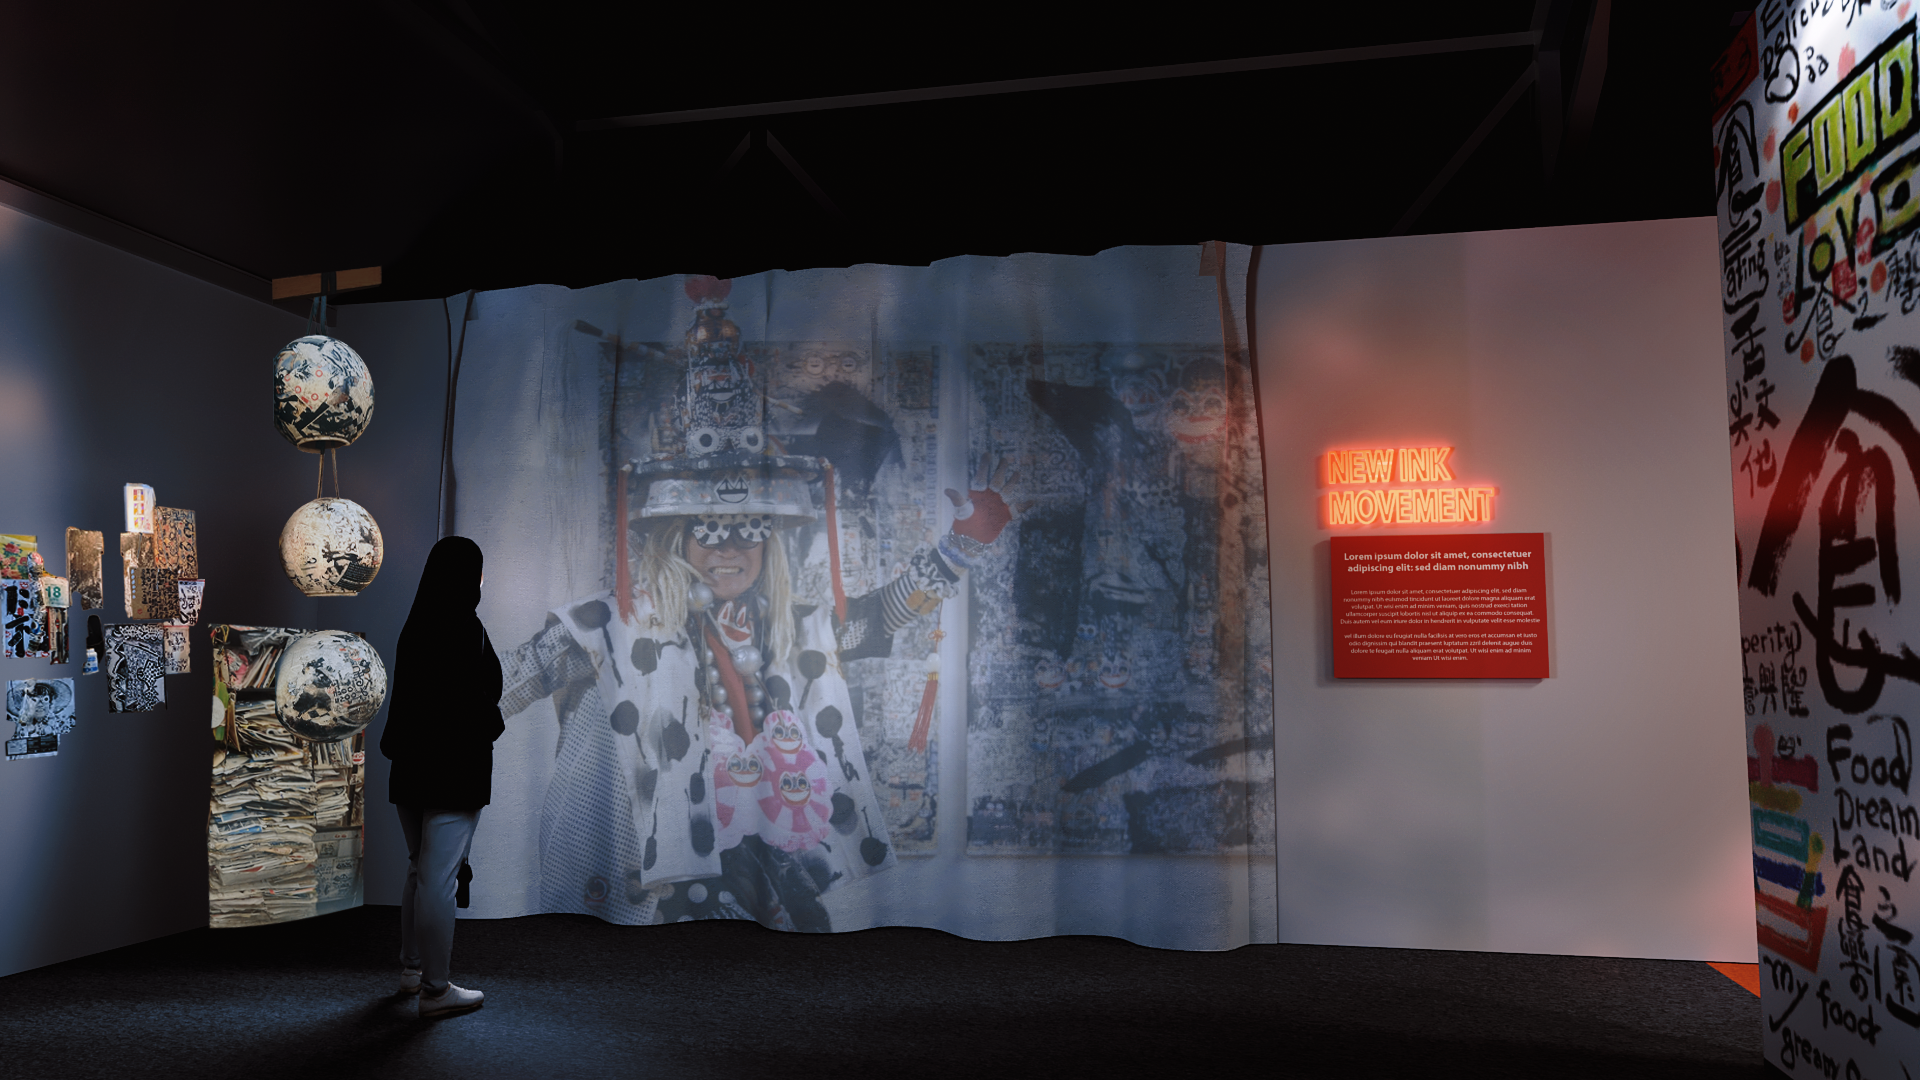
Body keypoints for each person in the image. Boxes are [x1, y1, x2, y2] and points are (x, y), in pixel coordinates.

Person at [379, 536, 504, 1018]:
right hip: (454, 767)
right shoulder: (464, 627)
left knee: (419, 869)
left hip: (411, 764)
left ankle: (412, 973)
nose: (482, 580)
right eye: (478, 571)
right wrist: (492, 723)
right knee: (439, 877)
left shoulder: (416, 625)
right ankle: (436, 990)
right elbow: (475, 701)